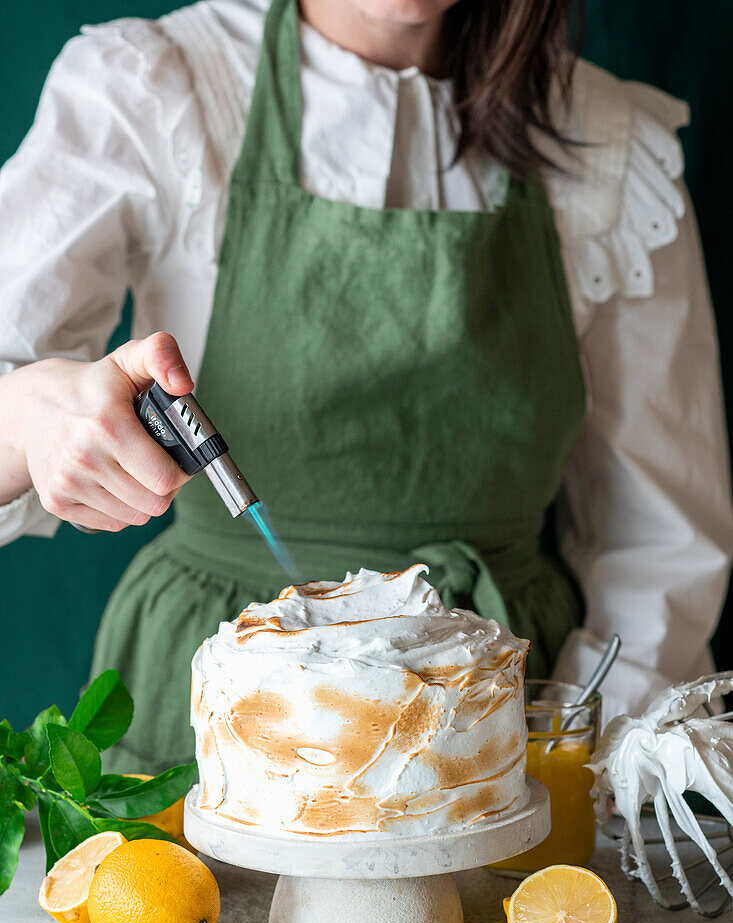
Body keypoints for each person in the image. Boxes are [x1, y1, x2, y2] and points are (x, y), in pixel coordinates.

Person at [0, 0, 731, 773]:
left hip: (499, 712)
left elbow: (660, 540)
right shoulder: (156, 86)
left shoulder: (609, 141)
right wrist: (26, 417)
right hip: (213, 714)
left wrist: (590, 750)